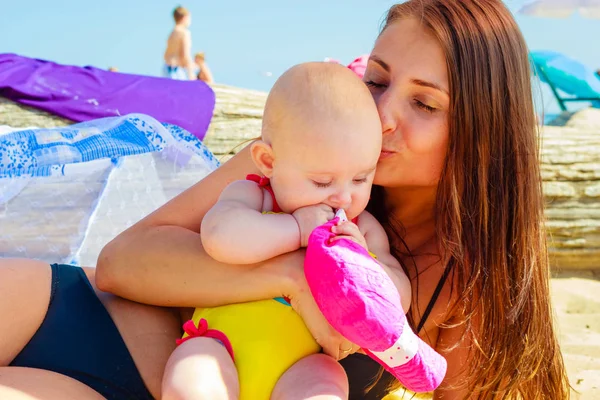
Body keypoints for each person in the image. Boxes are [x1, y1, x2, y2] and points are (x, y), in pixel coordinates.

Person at [1, 1, 570, 399]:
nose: (383, 114)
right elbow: (121, 265)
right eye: (376, 80)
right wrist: (295, 273)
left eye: (425, 104)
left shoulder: (466, 283)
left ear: (482, 131)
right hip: (72, 313)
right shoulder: (302, 160)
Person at [161, 62, 414, 400]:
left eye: (360, 178)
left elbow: (399, 297)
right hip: (222, 344)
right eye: (322, 181)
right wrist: (296, 229)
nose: (344, 196)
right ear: (269, 162)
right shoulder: (254, 195)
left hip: (304, 364)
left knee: (326, 385)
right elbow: (219, 237)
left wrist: (367, 265)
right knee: (191, 379)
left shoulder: (361, 226)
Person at [163, 6, 196, 80]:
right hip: (176, 69)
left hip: (166, 68)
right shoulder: (184, 33)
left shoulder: (172, 33)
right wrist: (191, 73)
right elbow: (185, 55)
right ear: (184, 17)